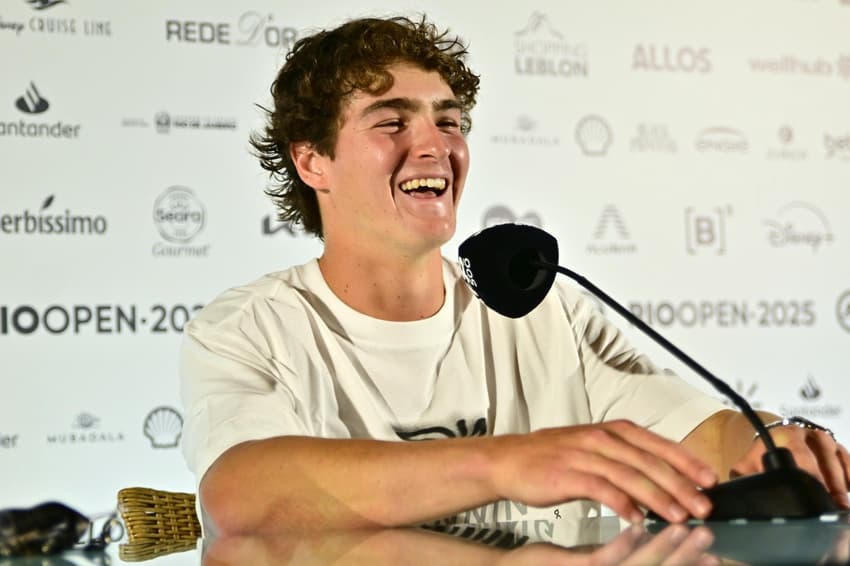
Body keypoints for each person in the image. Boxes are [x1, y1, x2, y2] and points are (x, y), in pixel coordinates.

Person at [180, 15, 850, 537]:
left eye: (449, 120)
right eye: (392, 122)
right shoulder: (247, 328)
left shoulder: (547, 308)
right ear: (312, 162)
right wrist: (503, 461)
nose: (435, 144)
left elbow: (701, 433)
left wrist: (770, 444)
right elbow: (243, 495)